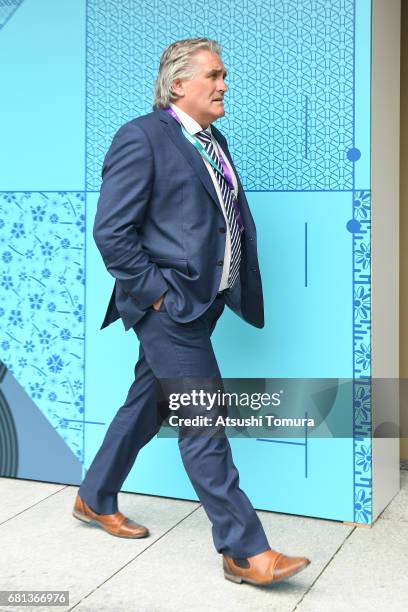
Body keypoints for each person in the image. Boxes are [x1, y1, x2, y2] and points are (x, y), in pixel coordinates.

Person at [72, 38, 310, 586]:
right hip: (170, 309)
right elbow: (111, 230)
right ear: (179, 84)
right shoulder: (141, 137)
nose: (224, 84)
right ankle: (244, 550)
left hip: (205, 305)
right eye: (215, 75)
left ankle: (93, 495)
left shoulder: (212, 139)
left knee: (148, 403)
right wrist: (157, 295)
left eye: (224, 75)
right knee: (204, 418)